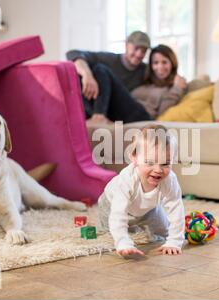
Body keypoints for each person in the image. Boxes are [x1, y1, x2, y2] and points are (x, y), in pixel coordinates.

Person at [97, 124, 185, 257]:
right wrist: (123, 243)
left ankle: (138, 224)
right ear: (134, 157)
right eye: (150, 163)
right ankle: (127, 230)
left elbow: (176, 207)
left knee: (164, 231)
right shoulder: (127, 179)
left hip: (148, 208)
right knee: (111, 231)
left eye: (165, 163)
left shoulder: (170, 180)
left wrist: (174, 242)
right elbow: (118, 213)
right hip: (110, 205)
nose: (158, 170)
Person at [66, 31, 152, 124]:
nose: (139, 54)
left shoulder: (146, 70)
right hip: (109, 109)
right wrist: (87, 75)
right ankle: (94, 117)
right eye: (136, 48)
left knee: (100, 69)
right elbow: (73, 53)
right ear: (126, 44)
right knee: (87, 72)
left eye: (143, 51)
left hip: (129, 109)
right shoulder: (109, 59)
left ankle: (98, 117)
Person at [131, 45, 188, 119]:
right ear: (151, 66)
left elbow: (164, 114)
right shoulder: (143, 87)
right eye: (156, 63)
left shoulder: (178, 85)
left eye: (164, 62)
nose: (160, 67)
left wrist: (177, 88)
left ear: (172, 63)